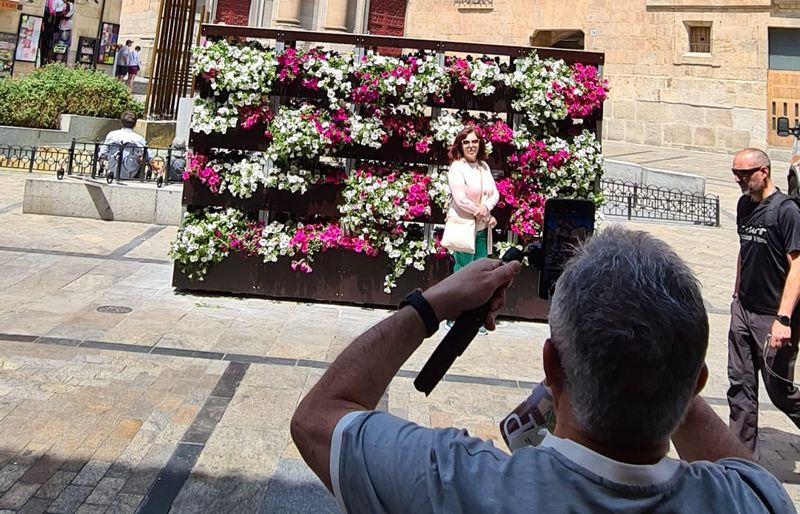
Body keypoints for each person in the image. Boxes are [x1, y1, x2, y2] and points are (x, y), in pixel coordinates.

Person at [291, 226, 794, 513]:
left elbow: (317, 419)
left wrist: (431, 305)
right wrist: (661, 362)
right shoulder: (747, 503)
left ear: (552, 364)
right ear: (694, 386)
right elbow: (746, 472)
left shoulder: (456, 485)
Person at [728, 147, 800, 457]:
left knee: (779, 391)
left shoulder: (787, 211)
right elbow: (746, 253)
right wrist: (736, 296)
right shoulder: (744, 206)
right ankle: (741, 460)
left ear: (764, 172)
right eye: (735, 174)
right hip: (743, 309)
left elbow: (798, 266)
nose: (738, 180)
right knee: (740, 386)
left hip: (773, 316)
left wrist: (783, 319)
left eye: (744, 174)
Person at [444, 127, 499, 333]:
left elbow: (495, 194)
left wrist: (486, 209)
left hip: (482, 230)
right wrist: (483, 213)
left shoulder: (483, 167)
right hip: (464, 228)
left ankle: (476, 318)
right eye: (466, 142)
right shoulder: (457, 168)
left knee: (481, 274)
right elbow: (461, 200)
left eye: (474, 142)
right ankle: (457, 315)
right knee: (464, 273)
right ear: (460, 146)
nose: (471, 146)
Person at [98, 111, 155, 180]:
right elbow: (149, 156)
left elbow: (102, 153)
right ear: (135, 124)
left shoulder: (112, 135)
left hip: (113, 171)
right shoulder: (139, 139)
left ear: (121, 122)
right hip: (132, 173)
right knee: (141, 160)